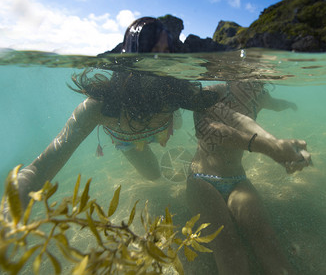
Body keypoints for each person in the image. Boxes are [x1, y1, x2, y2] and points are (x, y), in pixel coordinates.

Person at [11, 17, 219, 209]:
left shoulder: (175, 93)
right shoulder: (100, 108)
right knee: (153, 174)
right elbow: (39, 169)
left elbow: (219, 91)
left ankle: (174, 120)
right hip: (128, 142)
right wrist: (8, 211)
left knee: (179, 120)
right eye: (147, 55)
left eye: (165, 57)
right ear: (126, 61)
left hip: (164, 125)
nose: (156, 68)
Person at [186, 80, 311, 275]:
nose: (258, 82)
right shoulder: (213, 92)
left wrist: (288, 105)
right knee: (229, 249)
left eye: (261, 79)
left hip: (238, 179)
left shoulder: (259, 95)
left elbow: (274, 104)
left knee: (268, 243)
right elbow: (210, 131)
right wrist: (273, 148)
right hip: (202, 179)